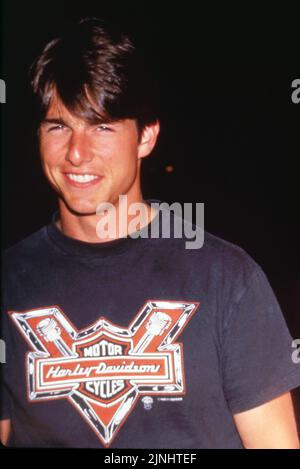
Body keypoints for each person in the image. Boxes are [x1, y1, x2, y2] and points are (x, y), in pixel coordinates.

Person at [0, 18, 299, 449]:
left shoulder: (226, 279)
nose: (77, 153)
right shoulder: (10, 282)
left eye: (101, 126)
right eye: (57, 126)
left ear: (146, 136)